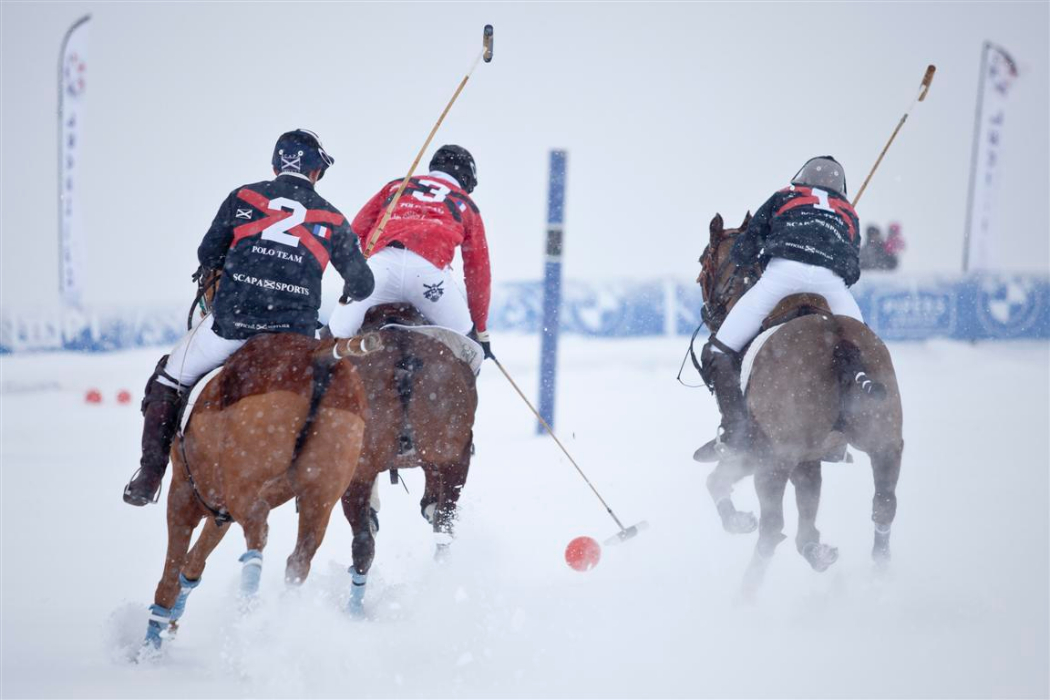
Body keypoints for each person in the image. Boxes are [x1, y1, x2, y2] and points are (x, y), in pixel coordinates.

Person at [122, 129, 375, 506]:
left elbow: (208, 253)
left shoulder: (244, 197)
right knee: (336, 397)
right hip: (294, 338)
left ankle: (149, 475)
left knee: (168, 379)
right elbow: (363, 283)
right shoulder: (333, 219)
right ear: (316, 172)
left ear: (275, 165)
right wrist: (351, 287)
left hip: (232, 326)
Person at [694, 156, 863, 462]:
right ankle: (840, 431)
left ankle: (735, 433)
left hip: (782, 276)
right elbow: (853, 270)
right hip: (831, 284)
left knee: (718, 351)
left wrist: (759, 259)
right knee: (860, 351)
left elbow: (745, 250)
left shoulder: (785, 195)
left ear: (802, 176)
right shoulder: (847, 210)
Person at [327, 145, 492, 359]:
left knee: (333, 340)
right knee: (467, 348)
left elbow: (356, 230)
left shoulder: (397, 185)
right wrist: (480, 331)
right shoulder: (467, 204)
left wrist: (361, 270)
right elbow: (478, 272)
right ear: (467, 179)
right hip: (429, 277)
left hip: (380, 268)